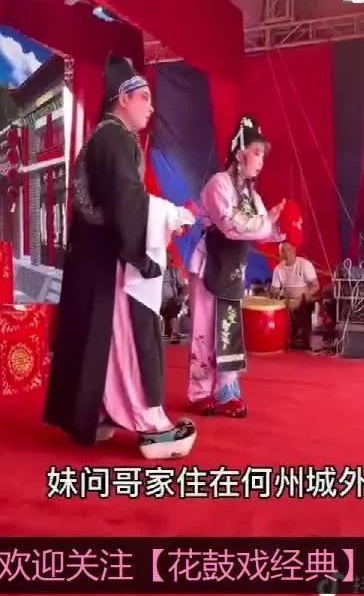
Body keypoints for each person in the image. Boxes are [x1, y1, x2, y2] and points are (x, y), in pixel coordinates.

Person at [44, 54, 197, 459]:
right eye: (144, 97)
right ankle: (150, 425)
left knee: (102, 340)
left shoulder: (104, 137)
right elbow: (126, 201)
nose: (150, 106)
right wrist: (166, 220)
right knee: (128, 339)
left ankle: (96, 414)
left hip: (92, 257)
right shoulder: (114, 138)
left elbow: (122, 201)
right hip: (109, 260)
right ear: (122, 98)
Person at [187, 116, 285, 418]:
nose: (260, 161)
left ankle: (227, 391)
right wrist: (265, 222)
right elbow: (232, 225)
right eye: (257, 153)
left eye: (263, 155)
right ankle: (201, 392)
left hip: (232, 268)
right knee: (204, 328)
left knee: (228, 327)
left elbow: (261, 231)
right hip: (210, 264)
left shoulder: (252, 196)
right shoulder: (219, 184)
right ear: (240, 153)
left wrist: (280, 228)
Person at [270, 241, 319, 350]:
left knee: (303, 307)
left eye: (289, 250)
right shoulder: (278, 269)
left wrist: (302, 297)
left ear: (294, 250)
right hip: (286, 300)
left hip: (304, 299)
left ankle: (304, 340)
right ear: (280, 253)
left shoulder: (304, 265)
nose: (286, 253)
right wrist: (273, 293)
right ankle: (283, 339)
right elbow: (275, 290)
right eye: (283, 251)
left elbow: (316, 286)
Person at [161, 251, 187, 343]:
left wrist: (181, 297)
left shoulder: (175, 271)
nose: (169, 263)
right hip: (157, 302)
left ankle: (175, 333)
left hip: (172, 301)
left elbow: (185, 286)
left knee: (172, 309)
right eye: (167, 260)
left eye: (171, 260)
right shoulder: (154, 271)